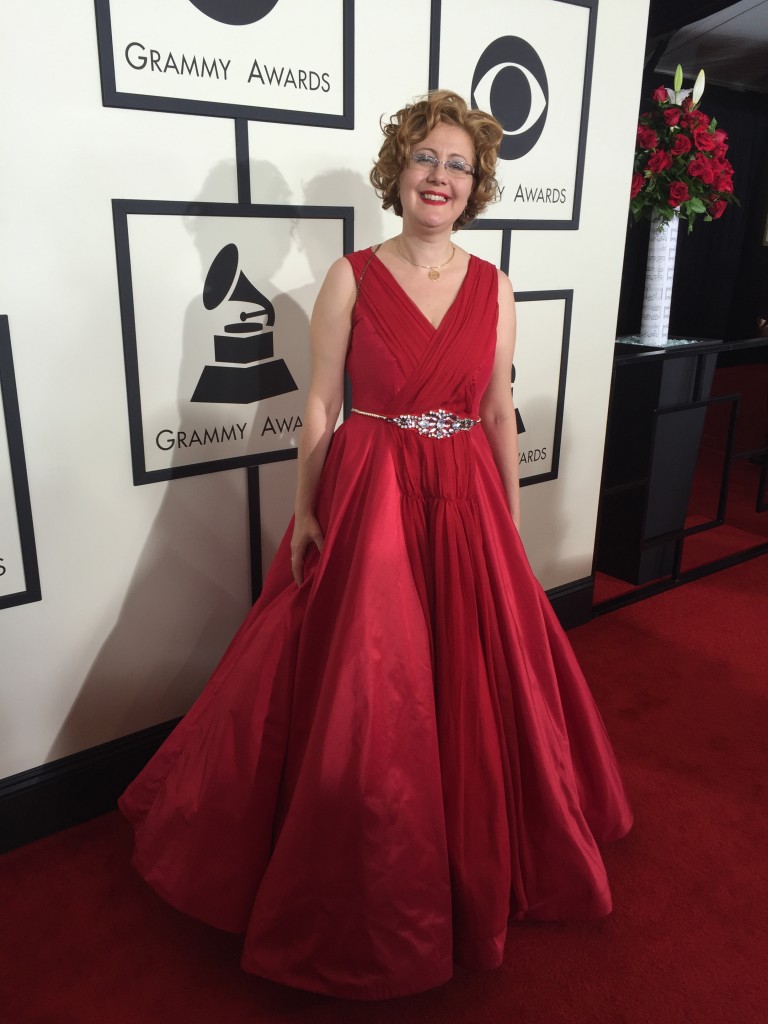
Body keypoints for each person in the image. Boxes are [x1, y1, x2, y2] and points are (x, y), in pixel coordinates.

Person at [120, 90, 633, 1001]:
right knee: (367, 680)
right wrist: (308, 507)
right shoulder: (352, 275)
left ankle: (472, 866)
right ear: (399, 171)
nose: (440, 177)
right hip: (372, 487)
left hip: (466, 494)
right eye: (426, 159)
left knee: (477, 676)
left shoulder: (495, 286)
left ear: (475, 188)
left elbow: (491, 412)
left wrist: (509, 518)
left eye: (458, 166)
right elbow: (319, 404)